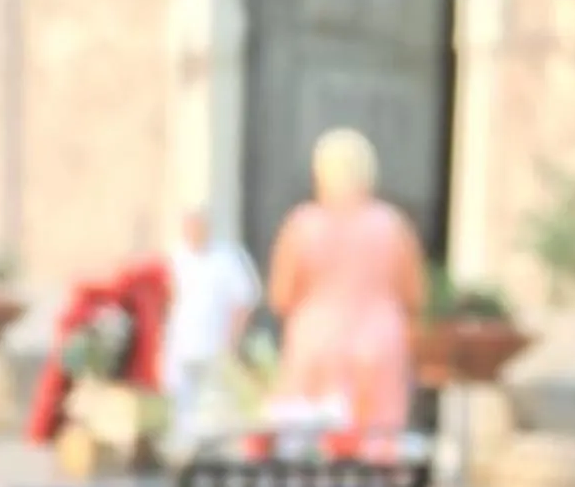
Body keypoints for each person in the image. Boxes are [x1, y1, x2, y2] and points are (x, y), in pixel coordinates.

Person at [266, 127, 426, 440]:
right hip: (380, 344)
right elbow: (414, 295)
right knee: (378, 442)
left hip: (316, 340)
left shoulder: (302, 225)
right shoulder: (393, 226)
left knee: (310, 443)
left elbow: (281, 296)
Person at [161, 204, 261, 424]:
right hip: (181, 351)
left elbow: (244, 301)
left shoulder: (226, 258)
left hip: (215, 349)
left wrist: (233, 342)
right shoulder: (174, 259)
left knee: (215, 412)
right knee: (180, 413)